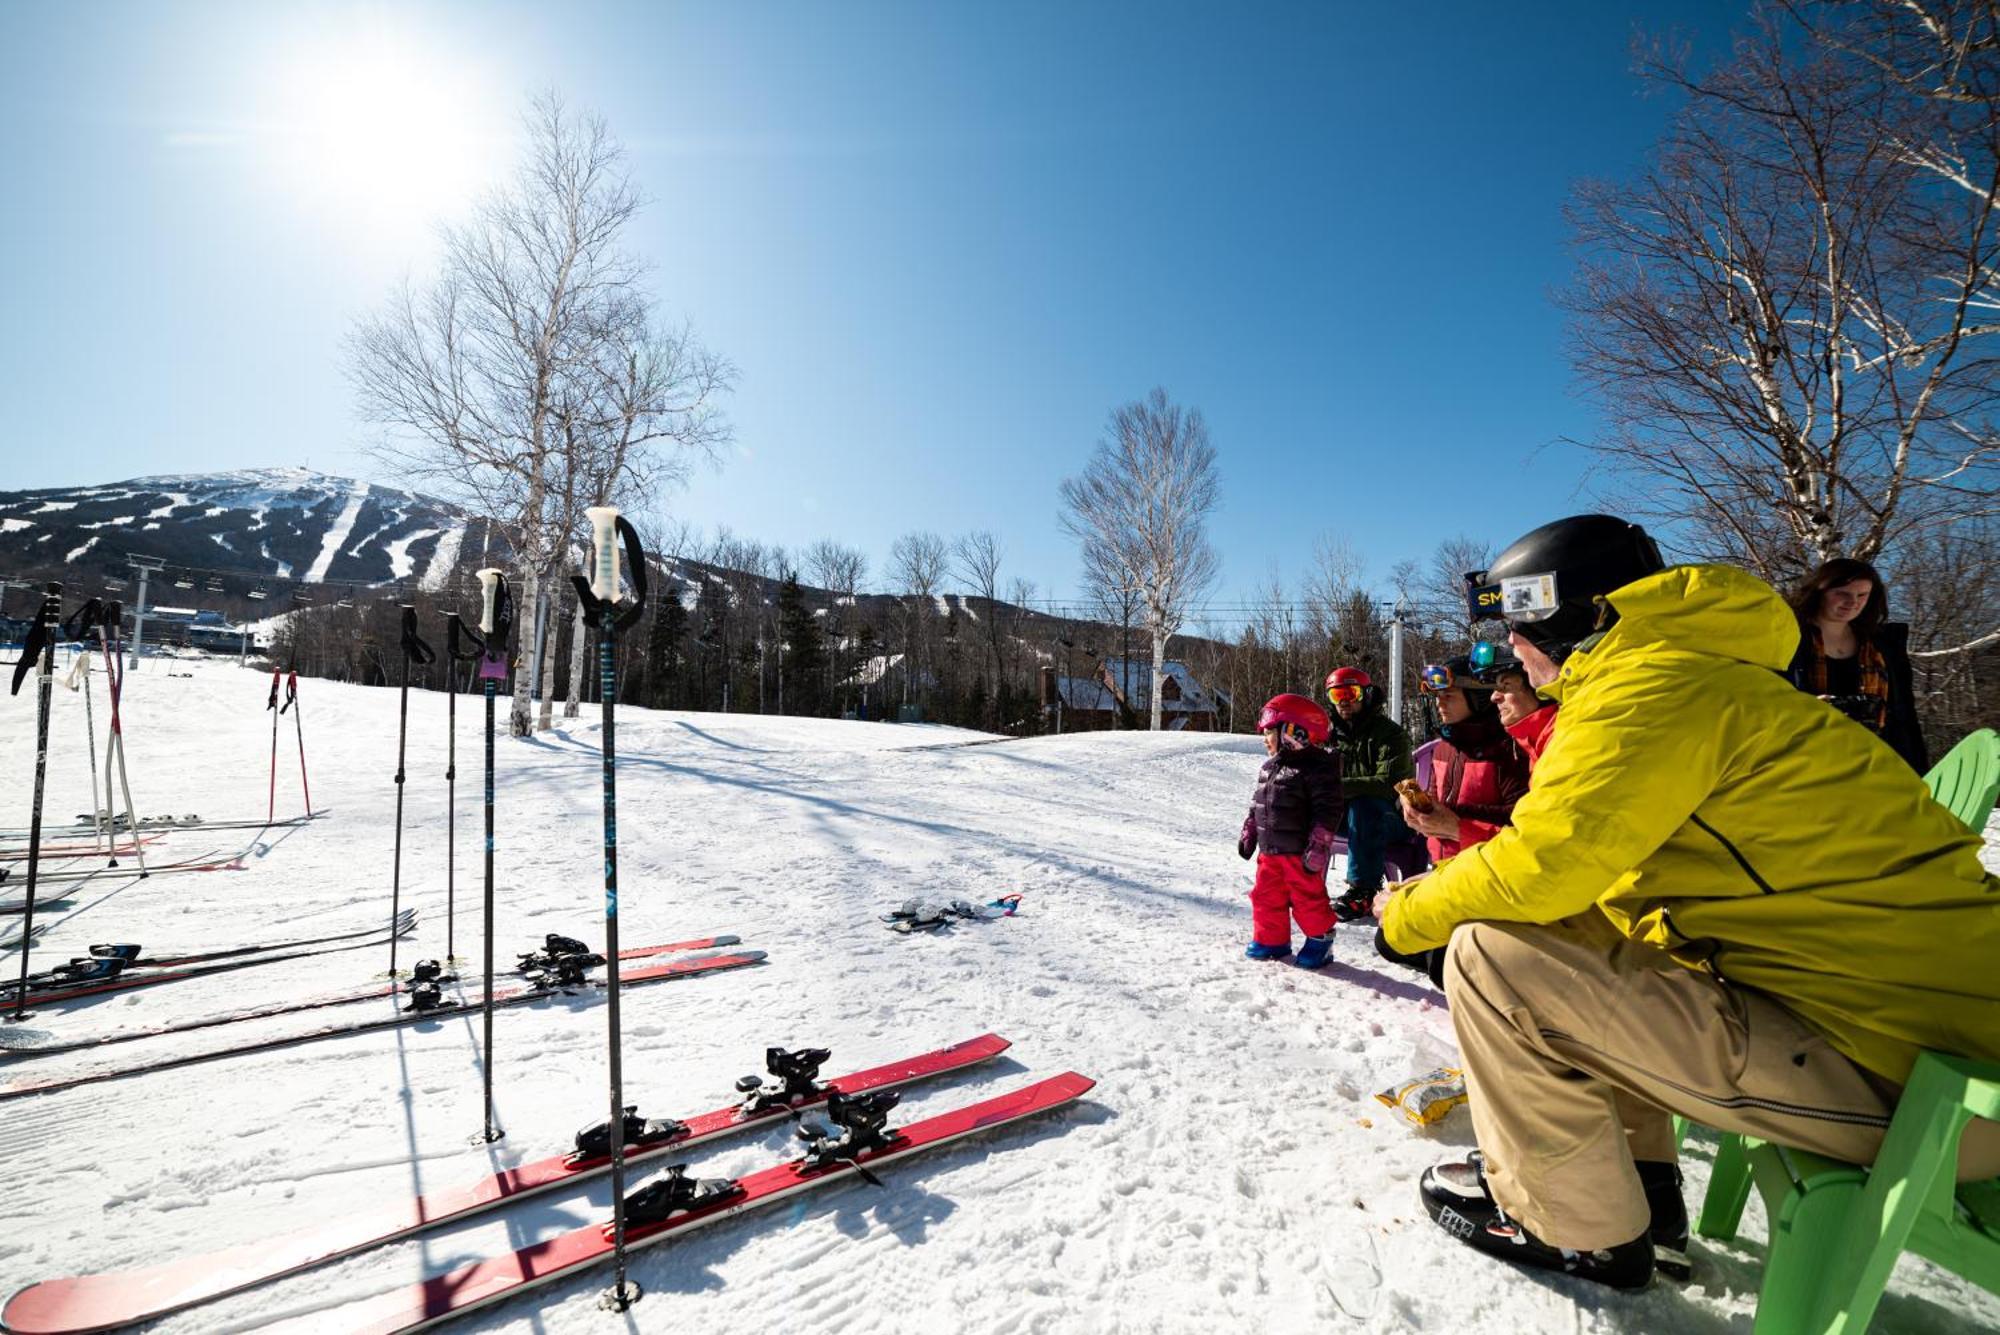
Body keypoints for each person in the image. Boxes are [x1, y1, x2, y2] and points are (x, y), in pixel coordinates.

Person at [1379, 514, 2000, 1292]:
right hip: (1925, 1034)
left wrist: (1407, 916)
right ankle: (1639, 1187)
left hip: (1940, 1088)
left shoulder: (1646, 689)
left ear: (1576, 617)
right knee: (1578, 932)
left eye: (1518, 628)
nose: (1511, 652)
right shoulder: (1693, 673)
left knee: (1488, 954)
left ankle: (1577, 1227)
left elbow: (1545, 866)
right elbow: (1593, 885)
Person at [1785, 558, 1928, 773]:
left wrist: (1918, 772)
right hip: (1806, 762)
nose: (1853, 602)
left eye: (1862, 595)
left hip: (1876, 763)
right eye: (1842, 593)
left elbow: (1904, 714)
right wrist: (1809, 708)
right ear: (1819, 591)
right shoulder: (1787, 638)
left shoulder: (1884, 647)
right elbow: (1765, 702)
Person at [1237, 693, 1345, 970]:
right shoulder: (1269, 767)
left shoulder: (1317, 769)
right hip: (1270, 851)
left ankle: (1321, 939)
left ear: (1293, 731)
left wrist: (1319, 844)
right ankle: (1271, 939)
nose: (1264, 739)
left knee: (1306, 897)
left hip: (1299, 852)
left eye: (1270, 732)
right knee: (1265, 896)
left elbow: (1328, 809)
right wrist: (1250, 830)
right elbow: (1258, 802)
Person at [1395, 657, 1529, 862]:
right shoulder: (1442, 747)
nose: (1439, 702)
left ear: (1478, 697)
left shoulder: (1507, 748)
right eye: (1437, 695)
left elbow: (1519, 817)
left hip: (1490, 866)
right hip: (1443, 865)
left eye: (1448, 695)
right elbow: (1436, 801)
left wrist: (1451, 815)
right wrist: (1419, 810)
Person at [1324, 666, 1414, 922]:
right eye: (1336, 696)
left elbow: (1390, 782)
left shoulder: (1390, 734)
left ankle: (1363, 892)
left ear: (1365, 694)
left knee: (1364, 806)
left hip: (1394, 818)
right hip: (1349, 819)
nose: (1344, 702)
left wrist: (1339, 786)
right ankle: (1298, 881)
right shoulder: (1331, 737)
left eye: (1350, 693)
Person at [1480, 650, 1558, 763]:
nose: (1494, 697)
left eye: (1505, 685)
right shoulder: (1532, 746)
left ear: (1535, 687)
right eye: (1494, 688)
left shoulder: (1562, 738)